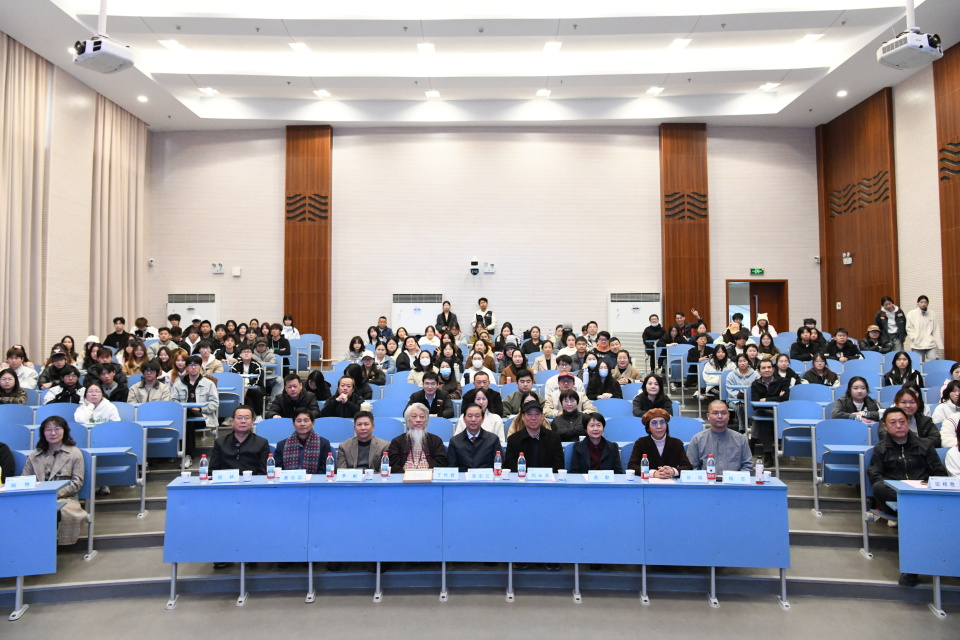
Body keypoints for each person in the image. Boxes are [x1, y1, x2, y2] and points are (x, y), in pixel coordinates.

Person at [867, 406, 947, 587]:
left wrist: (925, 488)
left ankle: (913, 569)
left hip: (924, 496)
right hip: (897, 499)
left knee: (916, 516)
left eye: (902, 422)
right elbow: (875, 476)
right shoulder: (881, 449)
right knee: (879, 487)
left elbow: (939, 473)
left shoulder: (925, 445)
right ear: (885, 426)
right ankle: (913, 568)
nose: (899, 426)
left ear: (908, 423)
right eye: (893, 422)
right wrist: (903, 492)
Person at [23, 416, 87, 544]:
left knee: (53, 511)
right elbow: (25, 480)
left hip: (65, 499)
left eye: (57, 429)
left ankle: (47, 547)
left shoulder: (75, 453)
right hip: (37, 499)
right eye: (48, 430)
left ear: (64, 431)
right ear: (43, 432)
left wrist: (53, 494)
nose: (53, 433)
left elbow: (76, 483)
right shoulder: (34, 455)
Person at [171, 355, 220, 467]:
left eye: (196, 365)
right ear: (186, 368)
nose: (193, 367)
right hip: (185, 418)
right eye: (190, 365)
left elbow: (214, 403)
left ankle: (185, 455)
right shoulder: (178, 384)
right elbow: (173, 402)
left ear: (200, 367)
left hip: (203, 418)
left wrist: (200, 409)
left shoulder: (209, 384)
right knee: (188, 421)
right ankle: (188, 455)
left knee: (187, 416)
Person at [686, 400, 754, 474]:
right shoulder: (697, 440)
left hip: (734, 480)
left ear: (728, 415)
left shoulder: (740, 439)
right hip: (706, 480)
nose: (720, 416)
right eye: (715, 413)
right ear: (708, 416)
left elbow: (748, 466)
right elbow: (692, 468)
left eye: (723, 413)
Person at [628, 408, 692, 478]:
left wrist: (673, 471)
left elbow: (687, 466)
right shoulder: (641, 443)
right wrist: (653, 473)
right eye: (654, 423)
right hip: (648, 482)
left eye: (662, 422)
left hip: (671, 481)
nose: (659, 426)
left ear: (666, 425)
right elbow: (632, 466)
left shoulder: (676, 443)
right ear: (648, 428)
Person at [750, 359, 791, 467]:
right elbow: (755, 403)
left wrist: (765, 400)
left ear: (773, 369)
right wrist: (777, 397)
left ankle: (753, 440)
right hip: (763, 412)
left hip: (780, 413)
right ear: (759, 371)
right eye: (763, 368)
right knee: (761, 416)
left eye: (769, 367)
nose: (767, 370)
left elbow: (785, 400)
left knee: (760, 415)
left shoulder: (783, 381)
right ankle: (768, 454)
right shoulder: (755, 384)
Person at [505, 400, 564, 472]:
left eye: (537, 414)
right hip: (522, 477)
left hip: (548, 478)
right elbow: (510, 466)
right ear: (523, 417)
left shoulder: (554, 438)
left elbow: (558, 465)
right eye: (529, 414)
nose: (533, 418)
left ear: (542, 416)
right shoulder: (513, 440)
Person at [387, 403, 448, 472]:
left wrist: (427, 473)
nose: (418, 420)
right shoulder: (397, 442)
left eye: (422, 417)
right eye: (414, 416)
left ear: (426, 421)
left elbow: (441, 463)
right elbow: (394, 466)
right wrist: (407, 475)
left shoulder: (436, 440)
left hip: (429, 476)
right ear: (407, 420)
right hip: (403, 477)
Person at [274, 408, 332, 474]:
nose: (302, 424)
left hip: (315, 480)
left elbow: (326, 469)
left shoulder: (323, 444)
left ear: (313, 423)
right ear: (293, 424)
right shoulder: (281, 445)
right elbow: (277, 470)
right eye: (299, 421)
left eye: (306, 421)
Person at [447, 403, 501, 471]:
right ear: (464, 419)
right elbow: (451, 468)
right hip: (463, 477)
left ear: (483, 419)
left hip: (486, 477)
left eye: (477, 416)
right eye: (470, 416)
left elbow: (499, 466)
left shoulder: (493, 440)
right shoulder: (455, 441)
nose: (473, 419)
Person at [906, 295, 942, 361]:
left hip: (930, 343)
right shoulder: (911, 314)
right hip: (917, 344)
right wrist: (914, 338)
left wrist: (939, 344)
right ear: (918, 303)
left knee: (933, 360)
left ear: (927, 303)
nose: (923, 304)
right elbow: (909, 328)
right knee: (918, 362)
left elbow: (936, 329)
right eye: (921, 302)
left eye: (925, 302)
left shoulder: (932, 314)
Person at [232, 344, 265, 415]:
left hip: (253, 387)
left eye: (248, 352)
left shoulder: (257, 365)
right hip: (238, 388)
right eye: (244, 352)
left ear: (252, 354)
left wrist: (247, 387)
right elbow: (232, 379)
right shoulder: (235, 366)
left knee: (256, 392)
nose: (246, 353)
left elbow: (258, 380)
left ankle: (258, 415)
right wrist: (242, 388)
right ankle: (232, 415)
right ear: (240, 354)